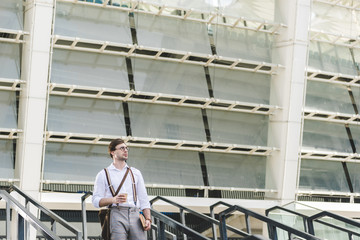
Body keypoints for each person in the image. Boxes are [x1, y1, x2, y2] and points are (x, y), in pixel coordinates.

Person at [92, 138, 151, 240]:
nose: (125, 150)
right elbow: (95, 201)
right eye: (122, 148)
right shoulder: (103, 174)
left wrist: (148, 218)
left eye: (127, 148)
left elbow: (144, 199)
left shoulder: (135, 173)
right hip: (116, 213)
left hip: (135, 214)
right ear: (113, 152)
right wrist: (113, 200)